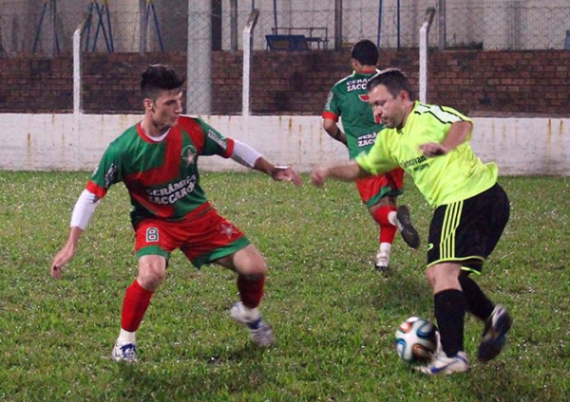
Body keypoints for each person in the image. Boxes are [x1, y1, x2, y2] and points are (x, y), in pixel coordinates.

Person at [50, 64, 302, 363]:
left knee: (255, 268)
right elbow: (92, 194)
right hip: (155, 222)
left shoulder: (192, 129)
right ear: (149, 105)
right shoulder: (123, 149)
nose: (177, 108)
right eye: (170, 103)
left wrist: (271, 169)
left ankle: (248, 313)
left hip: (200, 217)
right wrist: (71, 242)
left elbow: (233, 148)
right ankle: (124, 342)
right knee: (151, 274)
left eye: (179, 100)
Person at [311, 68, 512, 375]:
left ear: (403, 97)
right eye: (373, 106)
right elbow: (362, 167)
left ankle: (452, 355)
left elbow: (462, 125)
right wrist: (328, 171)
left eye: (382, 104)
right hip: (474, 201)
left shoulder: (426, 115)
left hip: (468, 195)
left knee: (439, 273)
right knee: (452, 278)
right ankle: (493, 316)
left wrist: (445, 146)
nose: (377, 112)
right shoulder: (390, 140)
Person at [322, 39, 419, 274]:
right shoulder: (387, 84)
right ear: (377, 60)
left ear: (354, 62)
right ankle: (383, 259)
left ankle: (397, 220)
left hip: (365, 157)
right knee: (390, 201)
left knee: (379, 210)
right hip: (392, 151)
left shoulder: (341, 88)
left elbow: (328, 125)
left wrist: (347, 140)